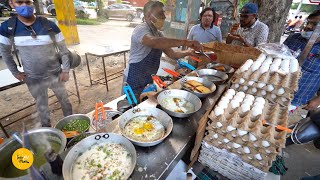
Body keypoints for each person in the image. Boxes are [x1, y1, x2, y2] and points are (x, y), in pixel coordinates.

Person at [0, 0, 72, 127]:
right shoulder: (8, 28)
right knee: (42, 107)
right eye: (19, 2)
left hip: (55, 74)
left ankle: (72, 123)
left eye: (28, 2)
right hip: (33, 78)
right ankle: (47, 134)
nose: (25, 6)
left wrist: (65, 70)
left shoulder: (49, 25)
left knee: (65, 101)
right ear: (11, 4)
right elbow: (5, 53)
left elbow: (63, 50)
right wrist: (15, 72)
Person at [123, 1, 202, 98]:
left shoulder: (158, 34)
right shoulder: (140, 29)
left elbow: (172, 54)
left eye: (164, 13)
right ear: (149, 15)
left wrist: (189, 52)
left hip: (147, 78)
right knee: (129, 106)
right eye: (160, 14)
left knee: (143, 102)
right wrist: (185, 42)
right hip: (133, 78)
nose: (164, 17)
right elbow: (155, 42)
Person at [284, 10, 320, 111]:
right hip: (278, 91)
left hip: (298, 100)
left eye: (314, 24)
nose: (308, 26)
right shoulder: (293, 38)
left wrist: (317, 100)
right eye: (308, 22)